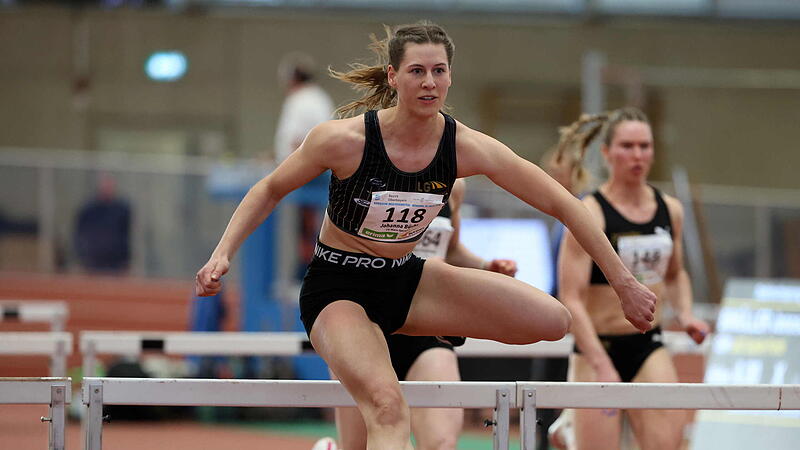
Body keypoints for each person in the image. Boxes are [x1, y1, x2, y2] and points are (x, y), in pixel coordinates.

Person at [196, 22, 656, 449]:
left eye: (439, 71)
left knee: (553, 321)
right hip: (339, 288)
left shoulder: (463, 147)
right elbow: (269, 187)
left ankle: (418, 334)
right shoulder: (344, 141)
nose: (429, 82)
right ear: (393, 77)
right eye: (417, 71)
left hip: (406, 281)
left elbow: (564, 203)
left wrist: (624, 284)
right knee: (389, 410)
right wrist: (222, 254)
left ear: (451, 78)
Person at [553, 107, 710, 450]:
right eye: (627, 146)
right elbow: (571, 298)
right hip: (597, 347)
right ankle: (568, 426)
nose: (637, 155)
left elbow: (675, 273)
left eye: (644, 146)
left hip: (647, 346)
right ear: (607, 153)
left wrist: (685, 314)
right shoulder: (589, 213)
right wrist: (599, 362)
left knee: (666, 444)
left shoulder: (671, 209)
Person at [331, 178, 517, 450]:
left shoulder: (454, 184)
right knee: (358, 446)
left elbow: (449, 250)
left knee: (441, 443)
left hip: (427, 329)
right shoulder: (362, 172)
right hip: (365, 327)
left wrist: (486, 265)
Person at [74, 172, 131, 273]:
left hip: (116, 261)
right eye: (105, 185)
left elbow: (126, 235)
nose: (107, 188)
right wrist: (82, 256)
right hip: (93, 260)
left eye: (109, 185)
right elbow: (80, 233)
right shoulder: (88, 209)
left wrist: (126, 259)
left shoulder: (122, 209)